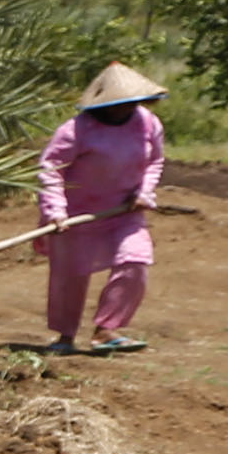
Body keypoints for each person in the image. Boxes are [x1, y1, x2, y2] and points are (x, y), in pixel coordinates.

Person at [39, 64, 166, 356]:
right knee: (70, 276)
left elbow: (155, 161)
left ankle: (107, 330)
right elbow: (51, 169)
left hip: (123, 211)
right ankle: (65, 336)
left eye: (133, 102)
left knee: (135, 262)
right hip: (75, 215)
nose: (127, 108)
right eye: (120, 103)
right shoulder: (76, 130)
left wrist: (145, 192)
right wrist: (56, 211)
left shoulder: (148, 123)